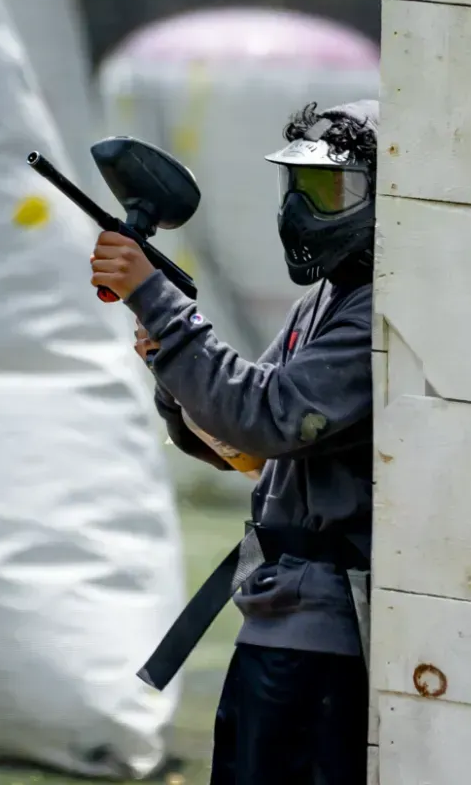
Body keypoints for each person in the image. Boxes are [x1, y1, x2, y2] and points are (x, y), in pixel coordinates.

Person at [90, 99, 377, 784]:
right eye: (299, 187)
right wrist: (170, 359)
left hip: (326, 639)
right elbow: (241, 443)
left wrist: (159, 303)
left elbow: (265, 416)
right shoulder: (333, 297)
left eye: (330, 190)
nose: (304, 210)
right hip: (279, 614)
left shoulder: (382, 313)